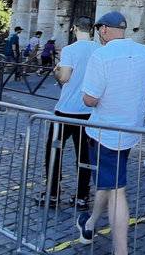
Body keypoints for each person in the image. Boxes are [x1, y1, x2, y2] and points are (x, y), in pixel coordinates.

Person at [75, 12, 145, 255]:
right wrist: (132, 96)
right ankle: (91, 224)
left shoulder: (101, 55)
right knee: (110, 183)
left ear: (103, 30)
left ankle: (121, 251)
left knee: (117, 193)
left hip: (106, 133)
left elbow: (91, 99)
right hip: (130, 130)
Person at [35, 19, 99, 210]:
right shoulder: (99, 50)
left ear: (75, 29)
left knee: (54, 151)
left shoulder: (70, 49)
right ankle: (81, 196)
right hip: (88, 112)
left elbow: (64, 77)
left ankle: (52, 193)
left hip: (66, 110)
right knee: (85, 155)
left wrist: (56, 70)